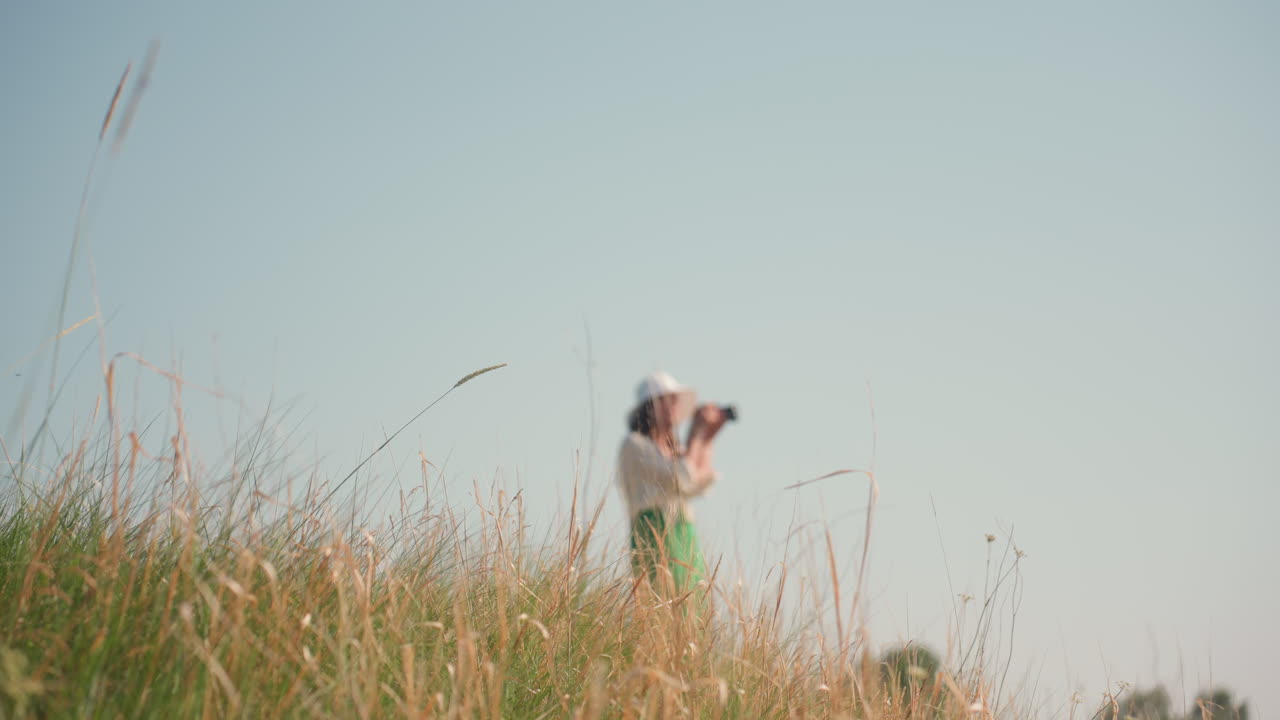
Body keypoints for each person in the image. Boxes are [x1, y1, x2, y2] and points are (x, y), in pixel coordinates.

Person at [616, 371, 729, 598]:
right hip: (654, 531)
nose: (673, 407)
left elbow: (698, 482)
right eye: (666, 401)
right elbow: (680, 477)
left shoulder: (672, 448)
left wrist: (707, 439)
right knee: (662, 601)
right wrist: (696, 433)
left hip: (683, 531)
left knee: (692, 603)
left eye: (674, 401)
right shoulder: (635, 445)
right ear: (649, 407)